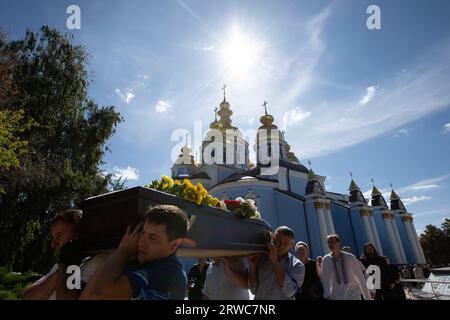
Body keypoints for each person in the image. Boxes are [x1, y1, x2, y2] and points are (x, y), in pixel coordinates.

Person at [80, 204, 188, 300]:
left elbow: (95, 295)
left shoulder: (168, 273)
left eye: (152, 238)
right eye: (142, 232)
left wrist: (123, 251)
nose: (141, 242)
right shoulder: (140, 263)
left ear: (174, 245)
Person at [23, 209, 106, 300]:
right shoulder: (61, 265)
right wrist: (60, 272)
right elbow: (27, 296)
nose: (53, 244)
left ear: (79, 233)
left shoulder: (100, 261)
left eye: (59, 235)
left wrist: (68, 266)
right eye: (53, 237)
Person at [226, 226, 305, 300]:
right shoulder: (262, 258)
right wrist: (252, 267)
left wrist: (274, 261)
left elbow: (289, 291)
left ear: (291, 244)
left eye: (285, 243)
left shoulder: (298, 265)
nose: (281, 246)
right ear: (273, 239)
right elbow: (254, 289)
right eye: (278, 242)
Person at [320, 234, 371, 300]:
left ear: (338, 243)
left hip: (353, 295)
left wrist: (367, 297)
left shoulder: (350, 257)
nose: (330, 244)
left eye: (332, 242)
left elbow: (360, 277)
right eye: (328, 243)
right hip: (336, 296)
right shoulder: (326, 259)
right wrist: (327, 295)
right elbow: (325, 279)